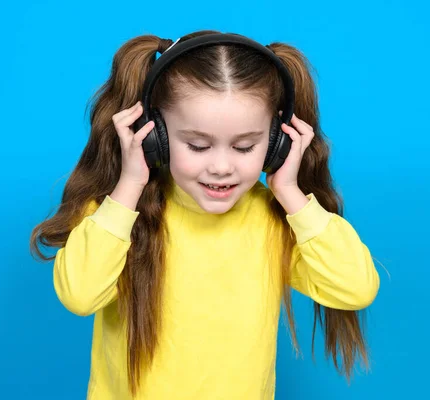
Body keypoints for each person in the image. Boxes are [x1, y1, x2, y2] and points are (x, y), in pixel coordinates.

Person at [30, 30, 380, 400]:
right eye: (197, 145)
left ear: (278, 141)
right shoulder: (115, 216)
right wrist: (129, 185)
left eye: (245, 146)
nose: (221, 167)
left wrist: (291, 194)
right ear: (154, 135)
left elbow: (355, 287)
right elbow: (80, 296)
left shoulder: (275, 220)